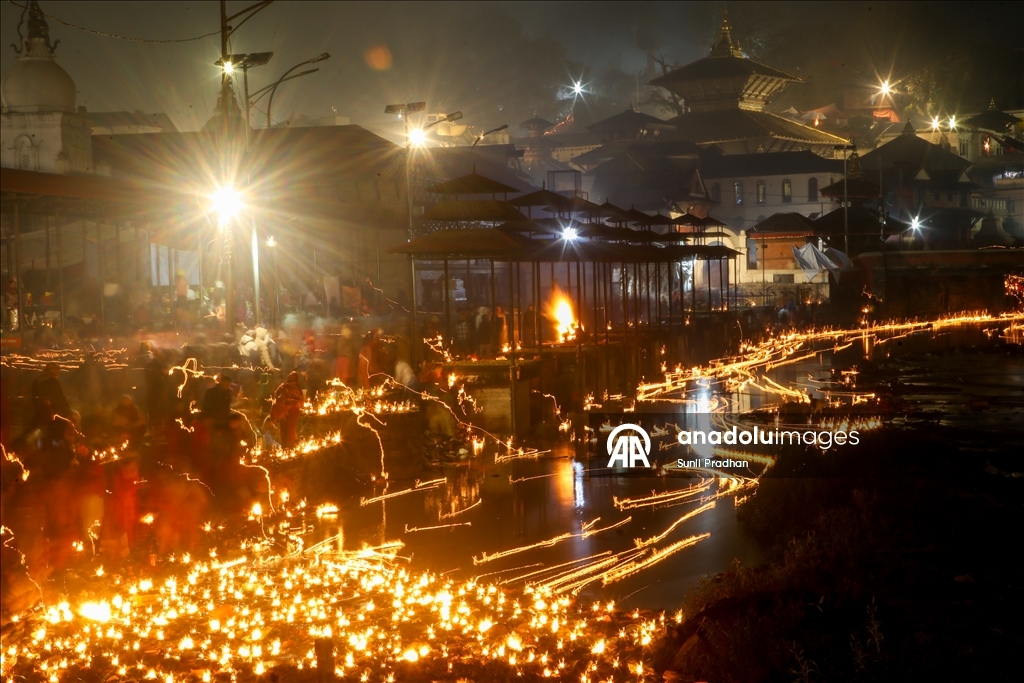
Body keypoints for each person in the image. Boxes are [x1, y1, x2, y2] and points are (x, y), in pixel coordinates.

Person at [31, 362, 73, 429]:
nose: (58, 372)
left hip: (38, 414)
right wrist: (69, 413)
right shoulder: (53, 382)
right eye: (56, 370)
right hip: (53, 414)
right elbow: (61, 399)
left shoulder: (36, 381)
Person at [270, 371, 304, 448]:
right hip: (293, 410)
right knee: (290, 429)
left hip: (282, 410)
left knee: (283, 429)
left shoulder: (282, 385)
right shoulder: (296, 387)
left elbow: (275, 394)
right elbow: (300, 399)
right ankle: (290, 447)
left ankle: (284, 447)